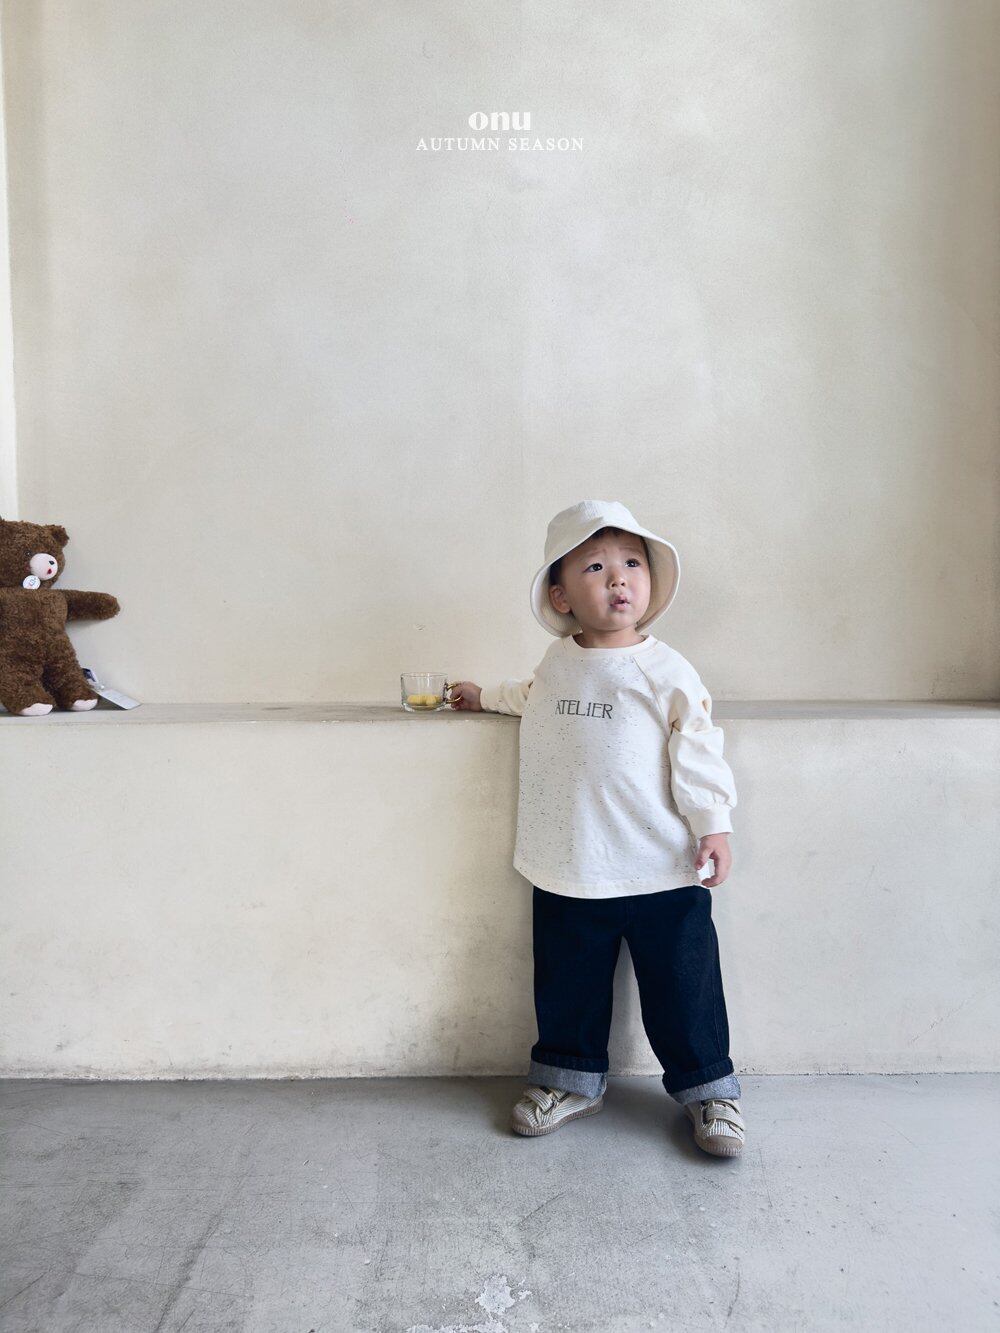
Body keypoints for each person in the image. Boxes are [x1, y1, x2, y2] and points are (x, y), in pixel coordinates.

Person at [447, 499, 744, 1157]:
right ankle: (569, 1079)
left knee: (684, 982)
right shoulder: (557, 663)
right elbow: (528, 696)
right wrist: (482, 695)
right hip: (571, 860)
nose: (618, 579)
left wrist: (713, 825)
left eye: (632, 563)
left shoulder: (665, 669)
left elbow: (697, 745)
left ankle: (708, 1089)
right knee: (567, 980)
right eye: (595, 566)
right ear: (560, 594)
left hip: (662, 864)